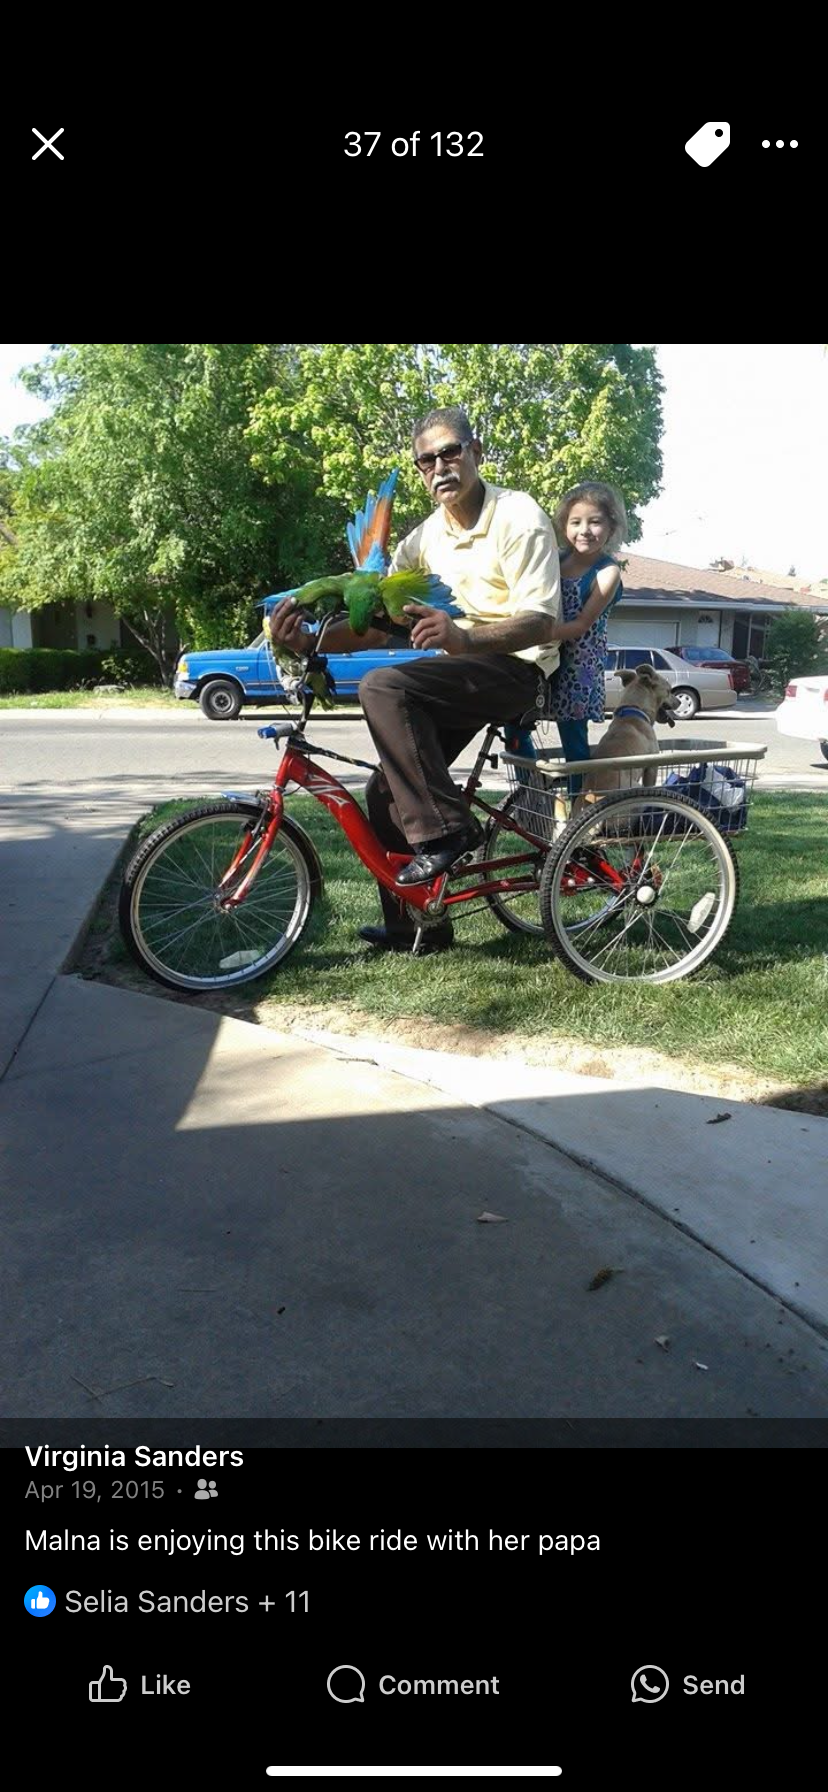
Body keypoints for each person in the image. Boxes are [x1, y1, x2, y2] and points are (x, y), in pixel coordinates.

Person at [267, 406, 561, 952]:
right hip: (460, 668)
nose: (440, 467)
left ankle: (449, 829)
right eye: (426, 461)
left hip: (517, 669)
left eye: (451, 452)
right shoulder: (421, 542)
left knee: (383, 687)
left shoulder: (517, 514)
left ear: (476, 452)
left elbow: (543, 621)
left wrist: (464, 637)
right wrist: (306, 641)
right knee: (383, 793)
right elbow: (375, 627)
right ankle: (418, 928)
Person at [543, 482, 627, 792]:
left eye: (595, 521)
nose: (585, 530)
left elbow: (579, 626)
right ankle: (529, 802)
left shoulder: (607, 572)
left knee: (574, 744)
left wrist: (530, 634)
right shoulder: (552, 560)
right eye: (575, 522)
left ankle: (580, 816)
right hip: (539, 656)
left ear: (611, 526)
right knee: (515, 724)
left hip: (577, 666)